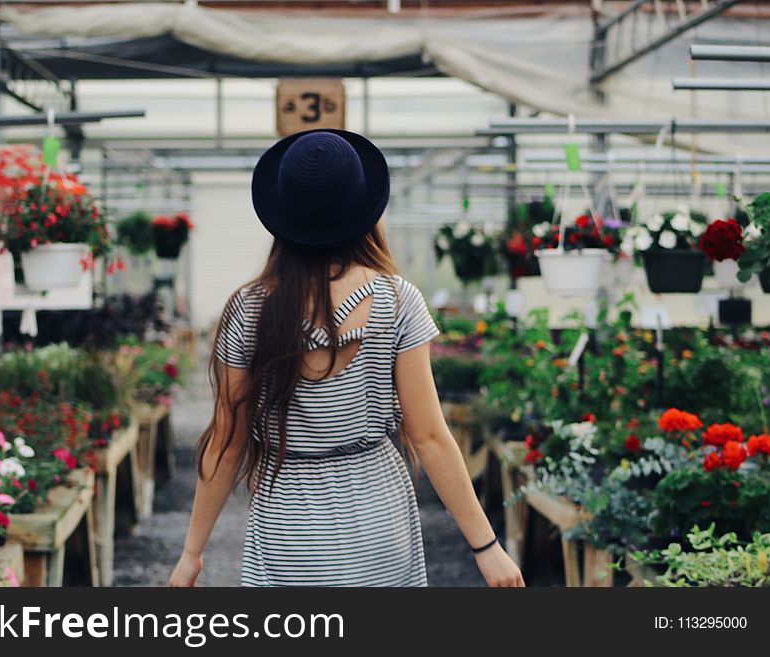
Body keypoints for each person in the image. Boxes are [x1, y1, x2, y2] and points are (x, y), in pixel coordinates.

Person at [169, 129, 524, 587]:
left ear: (283, 213)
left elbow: (226, 441)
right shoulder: (397, 302)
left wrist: (192, 554)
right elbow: (430, 437)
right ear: (364, 212)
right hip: (379, 523)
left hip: (286, 531)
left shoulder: (248, 309)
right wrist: (486, 547)